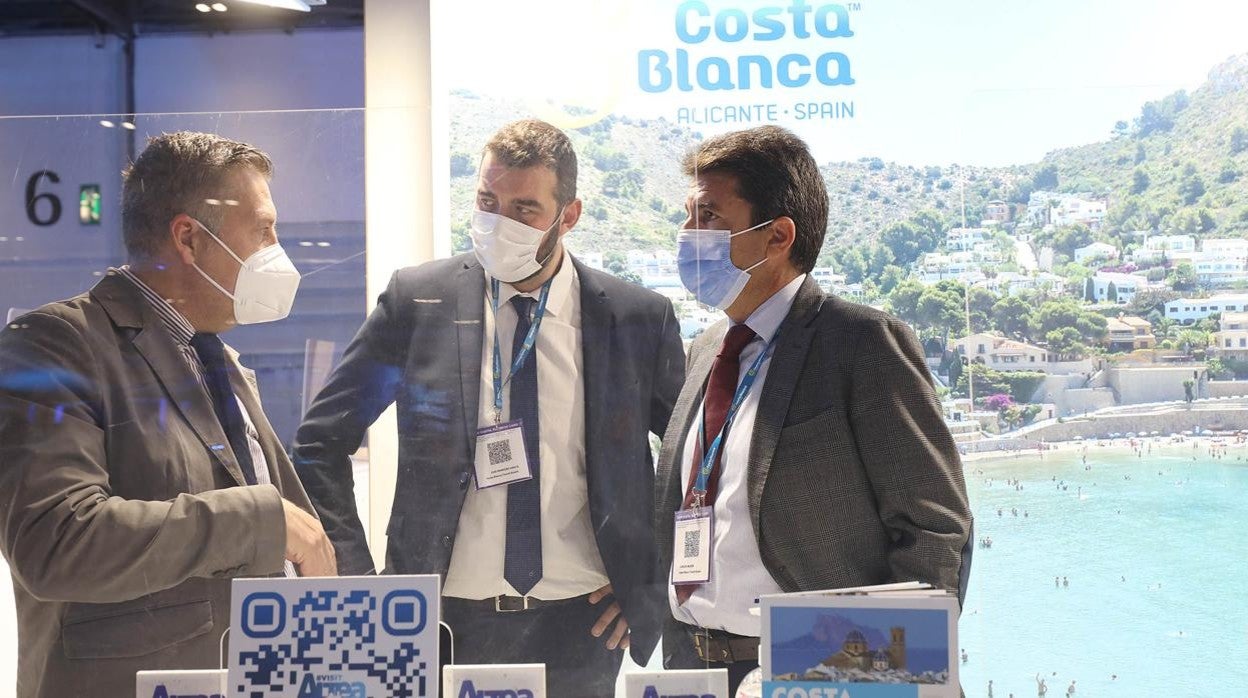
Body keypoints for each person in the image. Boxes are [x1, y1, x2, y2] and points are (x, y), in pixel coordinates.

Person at [292, 119, 685, 697]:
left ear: (567, 216)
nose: (499, 221)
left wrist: (649, 585)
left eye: (524, 208)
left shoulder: (634, 317)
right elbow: (319, 442)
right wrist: (359, 583)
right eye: (486, 200)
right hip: (442, 619)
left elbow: (689, 462)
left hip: (583, 625)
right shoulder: (418, 301)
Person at [0, 132, 335, 697]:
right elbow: (56, 539)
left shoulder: (216, 357)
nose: (277, 247)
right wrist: (258, 520)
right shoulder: (57, 343)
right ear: (189, 239)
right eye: (263, 230)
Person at [654, 126, 972, 696]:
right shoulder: (707, 348)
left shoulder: (861, 342)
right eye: (687, 215)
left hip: (818, 671)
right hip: (693, 668)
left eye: (710, 216)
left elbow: (935, 526)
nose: (687, 235)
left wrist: (881, 676)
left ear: (777, 236)